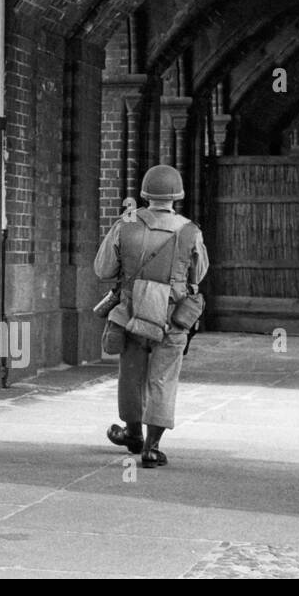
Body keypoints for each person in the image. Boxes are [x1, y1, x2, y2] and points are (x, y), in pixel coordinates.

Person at [95, 164, 209, 468]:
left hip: (131, 313)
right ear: (177, 196)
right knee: (163, 378)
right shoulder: (190, 231)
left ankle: (132, 435)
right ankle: (152, 447)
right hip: (171, 317)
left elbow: (103, 270)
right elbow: (198, 273)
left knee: (131, 375)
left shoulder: (126, 224)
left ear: (145, 194)